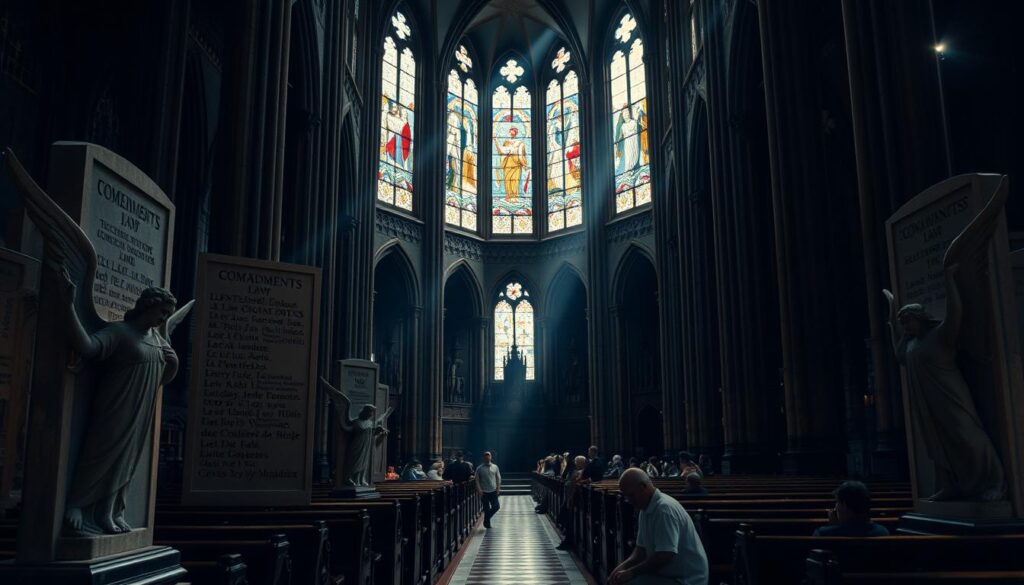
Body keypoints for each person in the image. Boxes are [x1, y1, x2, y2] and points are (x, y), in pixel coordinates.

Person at [884, 266, 1005, 502]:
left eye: (909, 322)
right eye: (904, 324)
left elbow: (956, 314)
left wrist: (951, 280)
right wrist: (892, 324)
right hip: (926, 401)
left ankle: (994, 481)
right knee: (937, 444)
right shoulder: (910, 345)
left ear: (920, 319)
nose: (907, 327)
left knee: (965, 434)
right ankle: (950, 484)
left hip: (950, 394)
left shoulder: (939, 335)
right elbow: (898, 354)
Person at [609, 468, 708, 585]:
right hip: (667, 575)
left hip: (685, 580)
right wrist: (620, 568)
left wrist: (632, 572)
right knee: (617, 580)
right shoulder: (645, 508)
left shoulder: (664, 509)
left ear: (642, 487)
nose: (628, 500)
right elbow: (640, 551)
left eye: (630, 495)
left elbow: (665, 555)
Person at [813, 481, 889, 537]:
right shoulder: (883, 532)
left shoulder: (823, 534)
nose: (835, 508)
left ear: (844, 505)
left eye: (837, 503)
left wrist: (832, 527)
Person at [557, 455, 589, 550]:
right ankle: (566, 539)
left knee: (570, 521)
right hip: (570, 498)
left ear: (582, 463)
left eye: (577, 462)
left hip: (574, 499)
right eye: (575, 462)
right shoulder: (575, 471)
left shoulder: (580, 472)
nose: (575, 464)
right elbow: (569, 482)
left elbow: (574, 483)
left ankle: (568, 542)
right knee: (567, 519)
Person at [475, 451, 502, 528]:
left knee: (496, 506)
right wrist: (479, 490)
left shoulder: (495, 467)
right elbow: (477, 480)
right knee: (486, 509)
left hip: (493, 490)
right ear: (483, 458)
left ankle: (486, 519)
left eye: (488, 456)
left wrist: (498, 488)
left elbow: (498, 478)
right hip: (484, 491)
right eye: (486, 456)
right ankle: (487, 524)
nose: (487, 457)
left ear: (491, 457)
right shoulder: (479, 468)